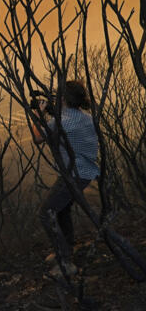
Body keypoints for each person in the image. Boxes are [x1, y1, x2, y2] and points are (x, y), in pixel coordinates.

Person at [32, 80, 99, 278]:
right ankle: (68, 247)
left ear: (63, 99)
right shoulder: (85, 117)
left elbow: (37, 138)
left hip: (73, 174)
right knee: (62, 209)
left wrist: (38, 115)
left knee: (46, 212)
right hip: (85, 172)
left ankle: (65, 261)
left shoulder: (63, 121)